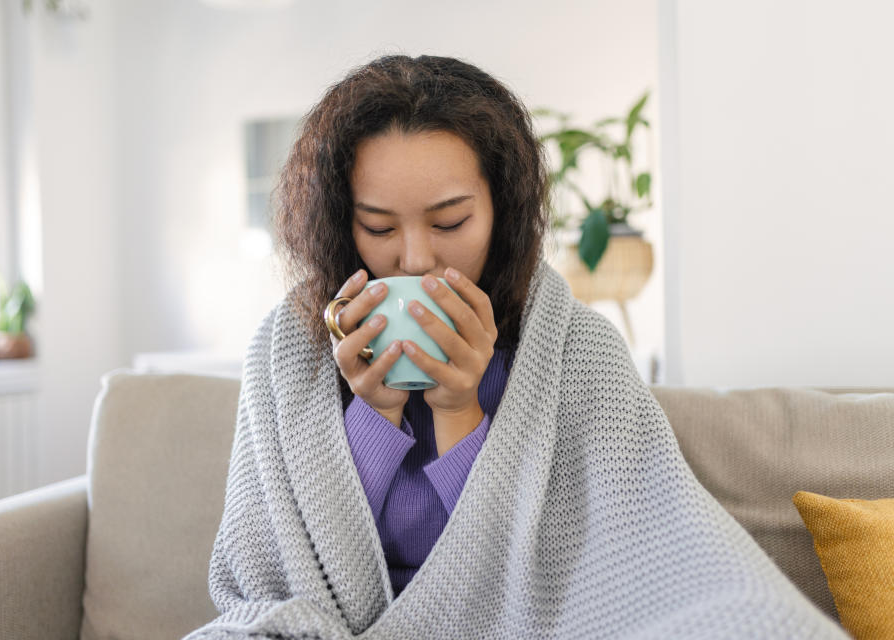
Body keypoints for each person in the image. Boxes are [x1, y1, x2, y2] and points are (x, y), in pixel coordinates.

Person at [184, 55, 844, 639]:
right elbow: (273, 573)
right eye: (378, 226)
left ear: (501, 212)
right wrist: (375, 413)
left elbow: (623, 560)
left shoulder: (574, 346)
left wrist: (459, 409)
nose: (414, 257)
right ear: (338, 221)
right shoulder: (287, 350)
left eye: (450, 222)